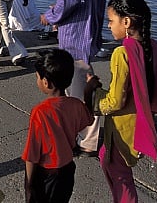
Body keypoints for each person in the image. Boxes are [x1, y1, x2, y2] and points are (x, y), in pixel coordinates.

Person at [84, 0, 157, 203]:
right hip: (141, 125)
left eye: (111, 21)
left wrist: (92, 93)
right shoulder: (154, 47)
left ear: (126, 21)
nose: (109, 25)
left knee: (121, 177)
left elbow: (114, 101)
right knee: (107, 160)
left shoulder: (122, 54)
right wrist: (145, 90)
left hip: (122, 129)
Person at [40, 0, 107, 157]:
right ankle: (85, 135)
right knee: (82, 82)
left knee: (77, 90)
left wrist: (51, 15)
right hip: (89, 29)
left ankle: (88, 139)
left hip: (75, 32)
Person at [22, 49, 94, 203]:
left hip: (47, 172)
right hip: (67, 169)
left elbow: (32, 153)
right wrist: (88, 91)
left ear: (46, 82)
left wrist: (28, 185)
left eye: (37, 78)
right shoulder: (75, 104)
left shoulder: (40, 112)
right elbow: (88, 118)